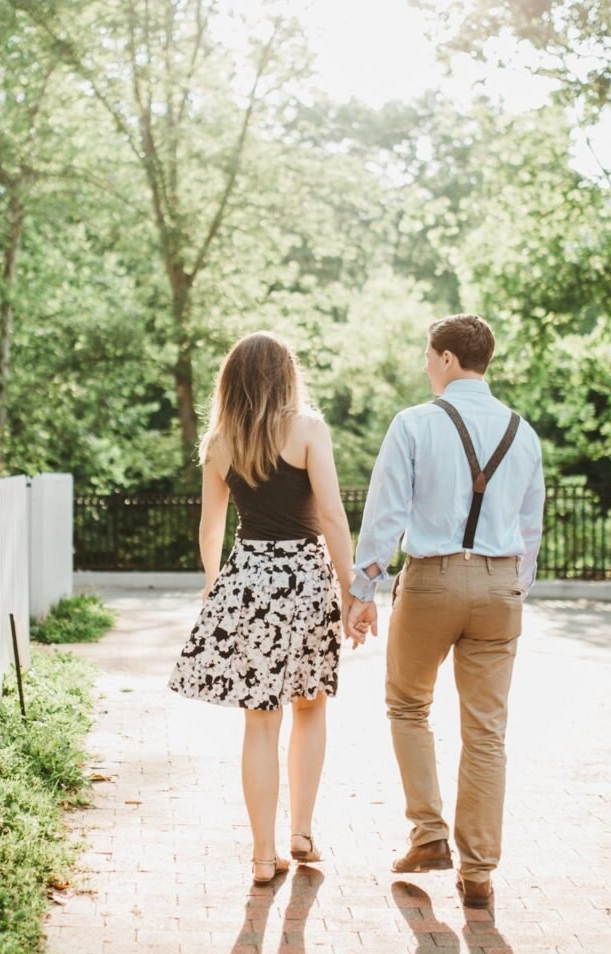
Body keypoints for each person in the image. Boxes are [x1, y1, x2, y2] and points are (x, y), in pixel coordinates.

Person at [345, 313, 544, 910]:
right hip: (501, 586)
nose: (426, 365)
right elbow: (530, 528)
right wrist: (512, 588)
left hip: (430, 582)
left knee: (408, 705)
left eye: (430, 356)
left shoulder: (414, 424)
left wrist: (364, 589)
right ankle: (479, 871)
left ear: (450, 359)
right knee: (487, 730)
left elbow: (385, 513)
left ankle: (429, 835)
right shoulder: (524, 432)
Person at [168, 331, 359, 886]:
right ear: (285, 374)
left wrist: (213, 583)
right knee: (310, 706)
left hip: (249, 576)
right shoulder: (307, 429)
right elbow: (331, 516)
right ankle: (301, 832)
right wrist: (351, 589)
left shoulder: (219, 442)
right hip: (304, 576)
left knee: (259, 719)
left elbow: (211, 526)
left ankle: (261, 854)